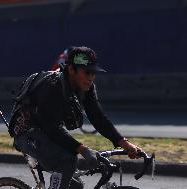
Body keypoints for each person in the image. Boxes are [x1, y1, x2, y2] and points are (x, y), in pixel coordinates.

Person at [9, 46, 142, 189]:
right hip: (27, 132)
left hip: (48, 130)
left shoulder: (86, 87)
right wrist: (83, 149)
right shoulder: (52, 87)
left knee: (75, 186)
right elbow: (51, 128)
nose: (91, 77)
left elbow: (98, 117)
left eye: (93, 73)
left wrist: (124, 143)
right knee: (67, 161)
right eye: (87, 72)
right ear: (71, 70)